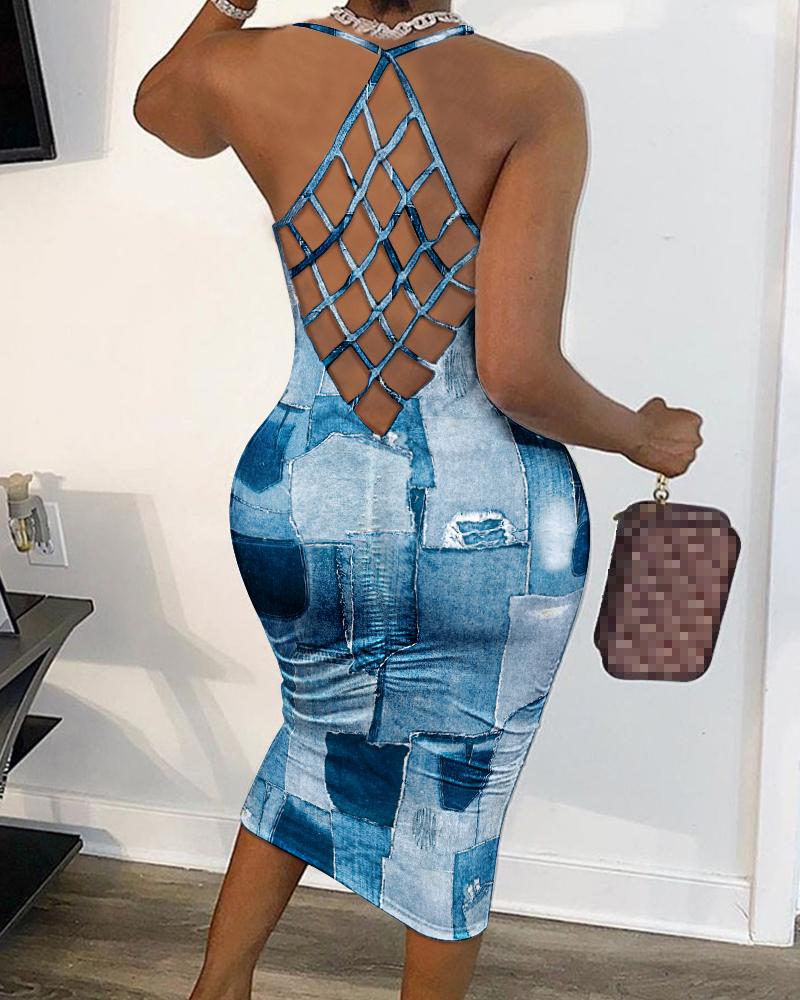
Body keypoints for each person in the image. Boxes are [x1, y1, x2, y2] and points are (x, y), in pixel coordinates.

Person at [134, 2, 703, 998]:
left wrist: (226, 6)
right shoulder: (532, 95)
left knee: (313, 736)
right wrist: (639, 434)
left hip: (296, 495)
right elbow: (515, 371)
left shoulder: (244, 67)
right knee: (456, 797)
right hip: (486, 515)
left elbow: (160, 111)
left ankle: (215, 989)